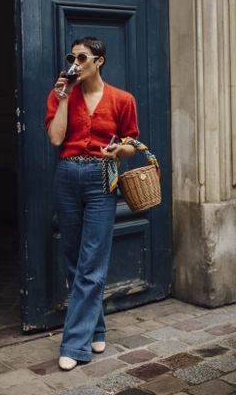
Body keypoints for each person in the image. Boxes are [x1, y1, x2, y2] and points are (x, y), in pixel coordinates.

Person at [45, 36, 139, 370]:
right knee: (74, 259)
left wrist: (119, 151)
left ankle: (74, 344)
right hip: (68, 174)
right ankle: (96, 326)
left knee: (92, 262)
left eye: (82, 57)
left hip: (102, 176)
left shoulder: (122, 99)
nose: (75, 63)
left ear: (98, 61)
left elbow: (131, 143)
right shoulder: (61, 95)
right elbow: (56, 138)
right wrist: (65, 96)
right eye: (72, 57)